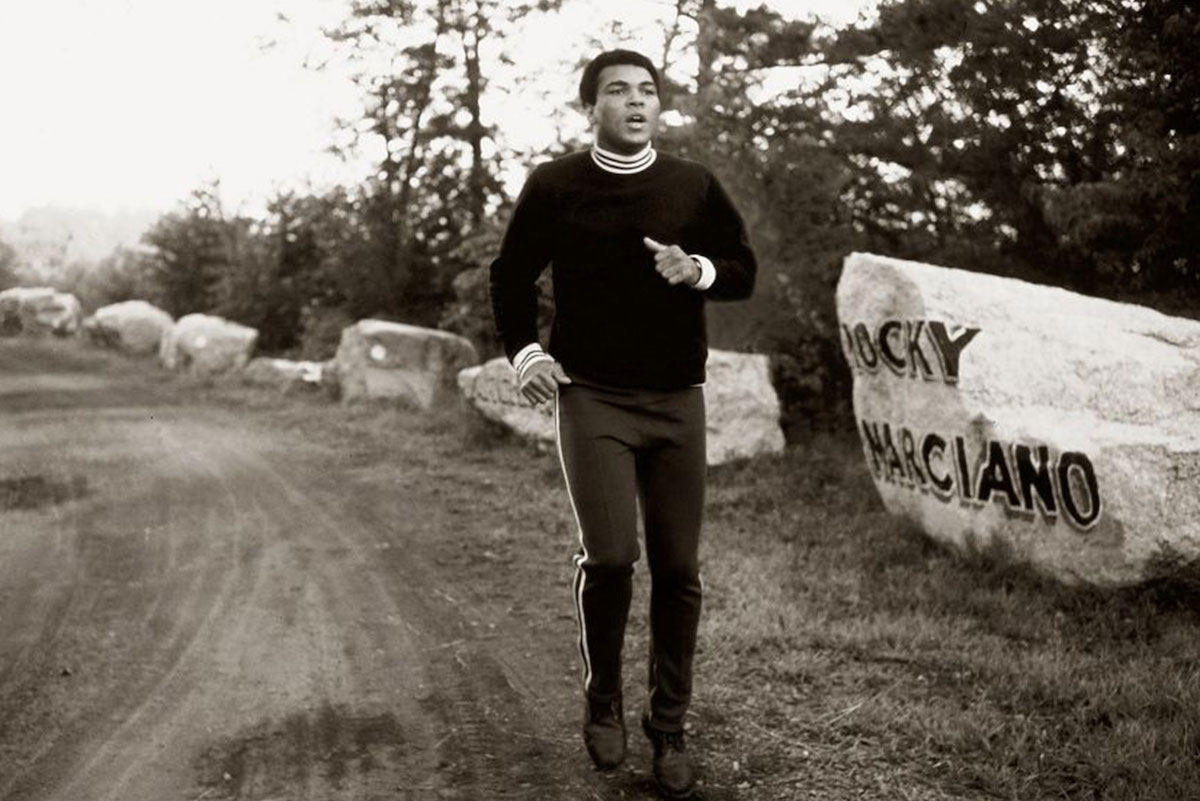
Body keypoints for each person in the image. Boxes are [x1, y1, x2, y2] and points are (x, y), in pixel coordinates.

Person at [489, 48, 756, 799]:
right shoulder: (556, 185)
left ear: (657, 107)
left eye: (647, 91)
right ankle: (600, 696)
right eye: (618, 91)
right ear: (591, 108)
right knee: (610, 557)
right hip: (592, 396)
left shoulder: (693, 186)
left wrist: (695, 269)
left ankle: (668, 728)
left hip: (677, 398)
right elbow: (510, 275)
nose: (636, 102)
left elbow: (743, 268)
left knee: (679, 570)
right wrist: (527, 353)